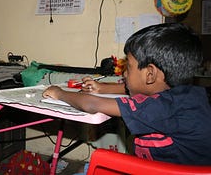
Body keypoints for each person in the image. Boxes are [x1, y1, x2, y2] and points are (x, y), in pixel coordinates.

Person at [43, 23, 211, 167]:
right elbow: (136, 88)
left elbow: (91, 105)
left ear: (150, 74)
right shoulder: (189, 94)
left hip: (159, 171)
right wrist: (103, 88)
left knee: (93, 165)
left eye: (128, 67)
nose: (123, 73)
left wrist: (59, 93)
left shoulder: (158, 108)